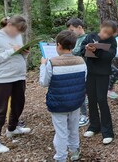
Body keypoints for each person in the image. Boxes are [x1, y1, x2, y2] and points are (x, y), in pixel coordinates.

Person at [0, 16, 31, 153]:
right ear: (9, 25)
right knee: (0, 109)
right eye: (16, 31)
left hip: (19, 75)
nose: (17, 34)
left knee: (19, 103)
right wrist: (11, 51)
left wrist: (24, 53)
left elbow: (19, 55)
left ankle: (12, 128)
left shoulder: (17, 36)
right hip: (3, 78)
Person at [39, 30, 87, 162]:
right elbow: (84, 79)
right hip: (76, 101)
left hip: (58, 103)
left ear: (59, 45)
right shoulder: (81, 61)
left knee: (61, 132)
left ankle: (61, 157)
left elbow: (43, 82)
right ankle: (74, 150)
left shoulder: (52, 62)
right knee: (73, 127)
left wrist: (43, 65)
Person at [80, 20, 118, 145]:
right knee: (91, 99)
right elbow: (81, 50)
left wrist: (97, 50)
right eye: (104, 31)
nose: (105, 35)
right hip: (90, 72)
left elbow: (109, 56)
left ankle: (107, 131)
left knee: (102, 100)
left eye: (108, 34)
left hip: (103, 74)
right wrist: (87, 48)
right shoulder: (90, 36)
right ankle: (94, 126)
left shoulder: (112, 41)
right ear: (100, 28)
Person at [66, 18, 89, 127]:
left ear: (79, 28)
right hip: (73, 68)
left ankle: (85, 115)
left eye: (72, 30)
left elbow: (77, 51)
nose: (70, 33)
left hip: (83, 69)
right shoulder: (74, 39)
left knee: (82, 93)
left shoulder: (87, 38)